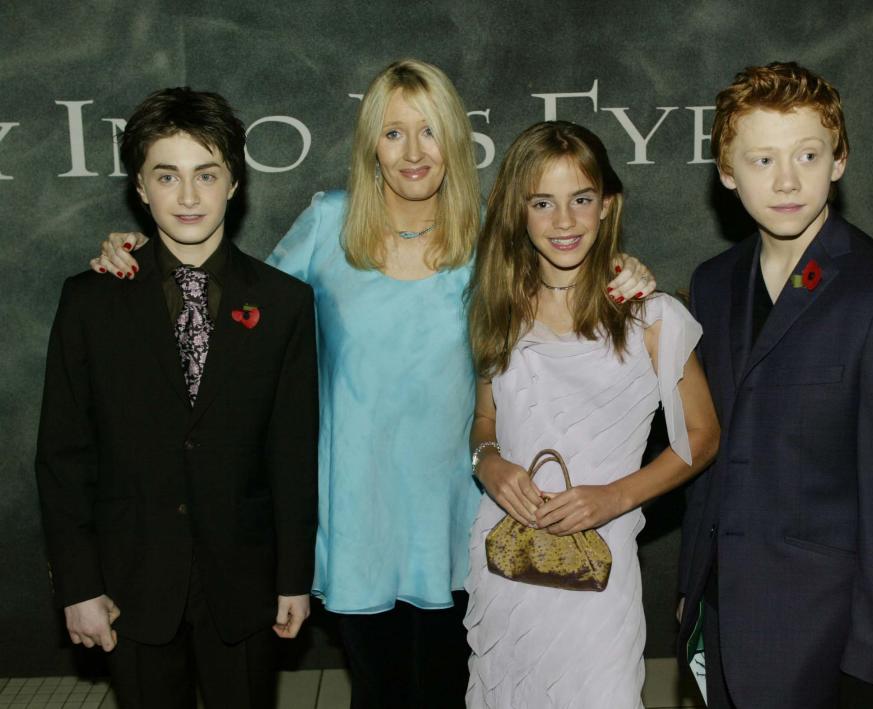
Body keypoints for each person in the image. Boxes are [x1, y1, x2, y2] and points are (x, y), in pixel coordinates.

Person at [87, 61, 653, 707]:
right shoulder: (330, 222)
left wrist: (623, 263)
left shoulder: (491, 228)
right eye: (392, 133)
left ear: (454, 141)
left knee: (446, 689)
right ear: (370, 147)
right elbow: (235, 302)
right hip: (358, 514)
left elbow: (568, 264)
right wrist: (144, 254)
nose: (413, 152)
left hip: (460, 505)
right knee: (378, 689)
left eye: (429, 131)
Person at [35, 88, 318, 709]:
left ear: (234, 183)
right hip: (130, 581)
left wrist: (295, 577)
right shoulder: (90, 301)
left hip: (243, 582)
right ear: (140, 187)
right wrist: (78, 584)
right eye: (168, 176)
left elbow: (292, 455)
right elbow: (63, 456)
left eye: (206, 175)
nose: (188, 197)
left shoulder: (284, 304)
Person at [676, 62, 873, 709]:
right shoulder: (712, 283)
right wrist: (693, 580)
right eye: (762, 159)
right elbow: (713, 452)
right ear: (727, 172)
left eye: (807, 154)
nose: (788, 179)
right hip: (722, 616)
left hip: (827, 636)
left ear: (840, 160)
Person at [464, 121, 719, 708]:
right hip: (504, 559)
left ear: (607, 205)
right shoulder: (498, 308)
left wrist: (616, 497)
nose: (563, 222)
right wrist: (490, 465)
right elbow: (483, 421)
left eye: (580, 200)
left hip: (600, 566)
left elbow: (702, 438)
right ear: (519, 213)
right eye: (542, 203)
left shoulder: (653, 316)